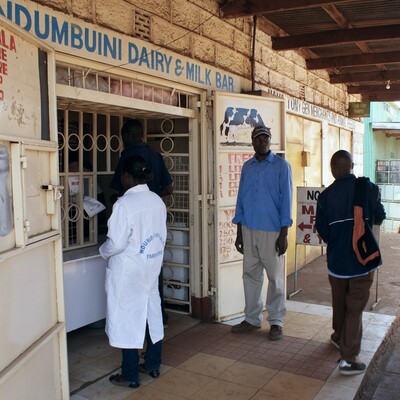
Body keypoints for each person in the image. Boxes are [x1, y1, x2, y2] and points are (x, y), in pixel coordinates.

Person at [315, 150, 386, 376]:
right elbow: (380, 215)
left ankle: (338, 336)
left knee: (340, 302)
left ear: (333, 169)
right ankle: (348, 359)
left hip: (336, 263)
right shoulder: (368, 188)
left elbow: (324, 232)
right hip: (362, 262)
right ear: (352, 166)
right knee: (355, 307)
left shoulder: (325, 197)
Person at [100, 155, 167, 388]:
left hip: (129, 271)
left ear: (126, 176)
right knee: (152, 314)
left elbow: (116, 243)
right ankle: (152, 364)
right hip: (150, 266)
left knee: (128, 317)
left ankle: (129, 374)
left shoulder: (123, 205)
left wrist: (103, 250)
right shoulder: (156, 200)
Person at [231, 125, 293, 340]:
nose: (262, 141)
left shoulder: (281, 166)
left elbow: (286, 201)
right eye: (258, 138)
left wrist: (284, 233)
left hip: (272, 231)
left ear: (270, 139)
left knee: (275, 278)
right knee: (250, 275)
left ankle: (276, 321)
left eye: (265, 137)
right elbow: (240, 200)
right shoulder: (247, 167)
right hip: (248, 229)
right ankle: (251, 319)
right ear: (252, 141)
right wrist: (239, 231)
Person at [111, 119, 173, 326]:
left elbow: (117, 189)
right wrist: (151, 197)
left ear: (127, 136)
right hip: (153, 222)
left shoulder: (127, 157)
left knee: (133, 285)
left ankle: (139, 324)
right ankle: (159, 317)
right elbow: (169, 187)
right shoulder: (155, 155)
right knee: (153, 273)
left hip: (133, 228)